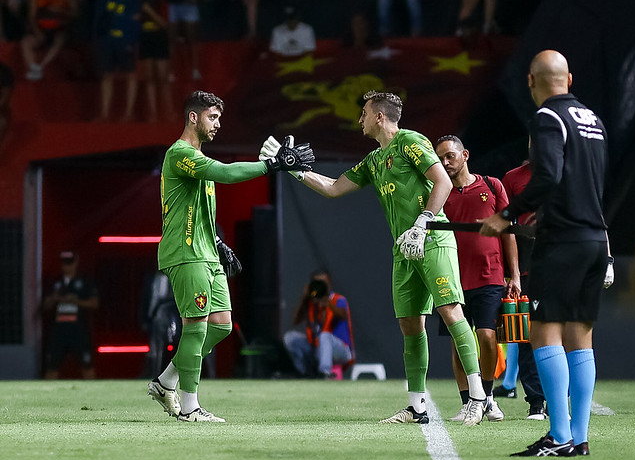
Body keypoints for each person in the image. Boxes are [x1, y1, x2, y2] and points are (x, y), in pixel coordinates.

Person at [270, 90, 488, 426]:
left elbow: (442, 181)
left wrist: (423, 221)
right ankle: (417, 407)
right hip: (403, 248)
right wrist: (296, 171)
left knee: (450, 311)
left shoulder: (409, 141)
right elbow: (332, 187)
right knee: (410, 326)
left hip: (431, 238)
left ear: (379, 117)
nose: (360, 119)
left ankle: (478, 399)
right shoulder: (374, 160)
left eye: (364, 113)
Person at [147, 90, 315, 422]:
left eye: (220, 117)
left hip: (207, 252)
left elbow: (200, 210)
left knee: (222, 326)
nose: (218, 124)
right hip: (186, 252)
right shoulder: (180, 154)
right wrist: (273, 164)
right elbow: (226, 173)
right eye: (213, 117)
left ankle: (165, 381)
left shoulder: (197, 158)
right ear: (193, 117)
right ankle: (190, 407)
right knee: (195, 327)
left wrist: (219, 244)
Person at [480, 50, 613, 457]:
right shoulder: (594, 121)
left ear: (531, 82)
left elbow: (549, 176)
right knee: (581, 336)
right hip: (595, 239)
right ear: (569, 78)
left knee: (543, 332)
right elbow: (586, 183)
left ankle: (558, 436)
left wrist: (506, 216)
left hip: (565, 242)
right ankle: (580, 437)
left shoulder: (546, 119)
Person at [434, 134, 521, 423]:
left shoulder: (492, 186)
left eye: (450, 156)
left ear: (465, 155)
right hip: (451, 278)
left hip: (489, 276)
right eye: (441, 157)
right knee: (460, 343)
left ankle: (486, 397)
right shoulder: (439, 192)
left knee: (486, 336)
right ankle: (467, 402)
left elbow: (507, 232)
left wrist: (514, 274)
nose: (445, 162)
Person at [495, 159, 547, 421]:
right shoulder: (513, 177)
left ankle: (559, 398)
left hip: (562, 265)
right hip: (527, 268)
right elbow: (506, 224)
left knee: (564, 336)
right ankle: (536, 402)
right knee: (526, 337)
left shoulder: (568, 171)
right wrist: (511, 271)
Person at [283, 270, 354, 378]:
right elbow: (295, 321)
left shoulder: (337, 299)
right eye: (317, 284)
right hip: (316, 348)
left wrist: (328, 304)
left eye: (323, 284)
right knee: (290, 337)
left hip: (340, 351)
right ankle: (303, 373)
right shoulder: (311, 302)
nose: (320, 287)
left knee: (324, 336)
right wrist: (304, 298)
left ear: (329, 285)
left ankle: (324, 373)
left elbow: (343, 315)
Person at [93, 0, 140, 122]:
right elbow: (99, 16)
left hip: (126, 40)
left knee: (130, 74)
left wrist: (132, 38)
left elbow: (136, 16)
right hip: (107, 40)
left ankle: (129, 113)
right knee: (107, 75)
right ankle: (105, 114)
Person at [42, 250, 99, 380]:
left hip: (78, 330)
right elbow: (45, 305)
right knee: (51, 366)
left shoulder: (84, 281)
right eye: (64, 263)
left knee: (87, 366)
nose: (66, 266)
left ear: (76, 263)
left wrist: (76, 301)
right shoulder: (55, 282)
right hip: (58, 331)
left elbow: (94, 303)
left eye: (69, 263)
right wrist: (56, 298)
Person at [20, 0, 78, 81]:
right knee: (26, 42)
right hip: (42, 28)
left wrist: (61, 11)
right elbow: (32, 16)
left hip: (60, 28)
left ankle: (42, 66)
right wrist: (37, 31)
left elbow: (75, 13)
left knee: (60, 40)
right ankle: (33, 68)